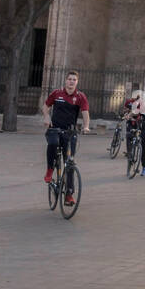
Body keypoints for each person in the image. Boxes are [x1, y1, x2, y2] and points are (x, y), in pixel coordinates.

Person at [43, 71, 90, 202]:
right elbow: (45, 106)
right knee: (52, 144)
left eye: (74, 79)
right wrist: (46, 116)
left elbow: (85, 113)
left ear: (77, 82)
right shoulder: (57, 93)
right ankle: (50, 169)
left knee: (69, 162)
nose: (71, 81)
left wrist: (86, 126)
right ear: (65, 81)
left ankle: (69, 194)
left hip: (69, 132)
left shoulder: (80, 97)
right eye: (69, 79)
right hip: (54, 129)